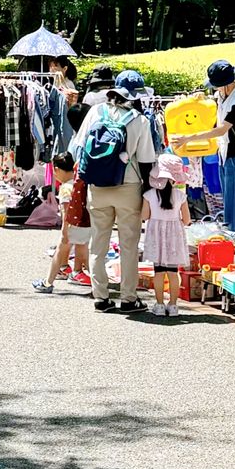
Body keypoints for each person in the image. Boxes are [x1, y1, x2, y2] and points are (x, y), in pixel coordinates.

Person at [72, 73, 158, 315]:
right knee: (129, 244)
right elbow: (146, 160)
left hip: (97, 187)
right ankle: (129, 298)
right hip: (127, 186)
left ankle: (101, 297)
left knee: (98, 243)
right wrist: (146, 194)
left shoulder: (95, 112)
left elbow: (79, 148)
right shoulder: (139, 121)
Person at [174, 59, 235, 238]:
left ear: (225, 84)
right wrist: (199, 99)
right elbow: (212, 106)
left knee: (234, 206)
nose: (214, 89)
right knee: (230, 205)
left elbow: (221, 130)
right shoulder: (224, 95)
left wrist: (188, 138)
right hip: (223, 156)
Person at [32, 151, 91, 293]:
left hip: (71, 226)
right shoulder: (79, 182)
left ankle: (48, 282)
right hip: (84, 224)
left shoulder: (65, 188)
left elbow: (65, 212)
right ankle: (98, 282)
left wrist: (64, 231)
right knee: (85, 254)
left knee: (59, 253)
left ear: (57, 170)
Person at [142, 152, 192, 317]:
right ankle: (173, 305)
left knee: (158, 272)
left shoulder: (149, 195)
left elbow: (144, 216)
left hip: (156, 236)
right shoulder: (180, 196)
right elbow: (186, 220)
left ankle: (159, 304)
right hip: (174, 236)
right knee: (172, 273)